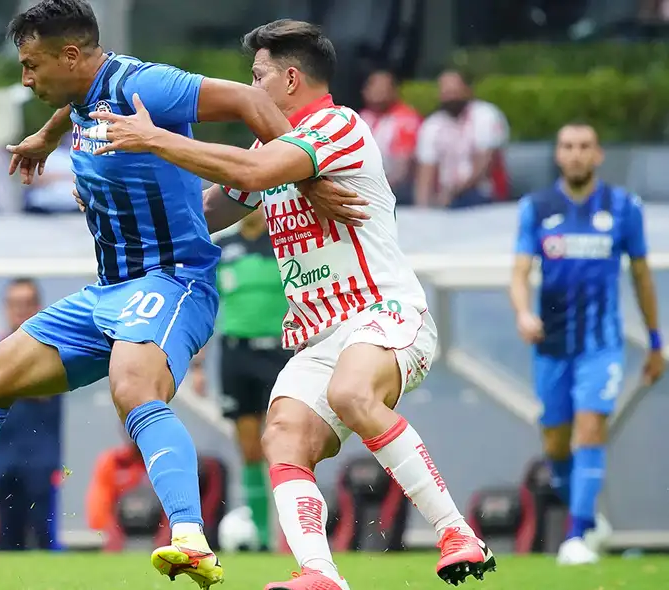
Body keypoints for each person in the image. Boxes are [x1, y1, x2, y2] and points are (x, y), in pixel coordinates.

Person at [0, 3, 353, 589]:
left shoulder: (146, 84)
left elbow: (250, 103)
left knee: (133, 386)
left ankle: (191, 538)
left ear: (72, 55)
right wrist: (45, 136)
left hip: (173, 282)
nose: (25, 79)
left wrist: (307, 179)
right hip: (109, 291)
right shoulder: (86, 96)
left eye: (31, 65)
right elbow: (80, 107)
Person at [82, 19, 496, 590]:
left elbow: (252, 172)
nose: (251, 89)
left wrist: (155, 138)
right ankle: (318, 573)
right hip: (319, 335)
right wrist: (116, 203)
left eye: (258, 77)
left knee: (351, 393)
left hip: (385, 314)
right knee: (284, 433)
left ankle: (456, 533)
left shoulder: (338, 126)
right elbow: (206, 215)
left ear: (292, 78)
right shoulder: (266, 144)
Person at [509, 122, 664, 565]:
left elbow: (640, 275)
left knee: (591, 427)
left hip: (602, 344)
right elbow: (519, 273)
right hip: (552, 344)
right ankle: (590, 520)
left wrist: (655, 341)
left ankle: (575, 535)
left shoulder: (623, 207)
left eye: (584, 147)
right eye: (567, 147)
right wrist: (522, 312)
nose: (576, 154)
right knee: (556, 442)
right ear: (558, 155)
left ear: (598, 155)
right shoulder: (536, 208)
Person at [215, 209, 291, 550]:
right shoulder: (223, 247)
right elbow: (206, 301)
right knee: (248, 448)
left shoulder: (283, 244)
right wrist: (198, 364)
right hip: (235, 353)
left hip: (278, 352)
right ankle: (261, 534)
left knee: (284, 444)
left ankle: (291, 534)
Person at [0, 278, 63, 551]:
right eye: (14, 304)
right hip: (2, 458)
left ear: (38, 307)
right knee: (6, 537)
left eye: (26, 304)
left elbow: (42, 389)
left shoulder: (52, 347)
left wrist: (5, 380)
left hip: (42, 461)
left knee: (45, 534)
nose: (20, 311)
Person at [413, 70, 509, 209]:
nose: (451, 97)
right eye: (446, 92)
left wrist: (453, 193)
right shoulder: (432, 125)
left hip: (484, 193)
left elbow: (485, 164)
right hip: (445, 196)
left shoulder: (486, 115)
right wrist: (422, 208)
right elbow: (425, 172)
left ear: (467, 91)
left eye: (454, 91)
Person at [359, 70, 422, 204]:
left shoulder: (406, 118)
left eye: (383, 88)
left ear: (394, 91)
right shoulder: (362, 117)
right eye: (374, 87)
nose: (377, 92)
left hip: (396, 189)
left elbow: (402, 166)